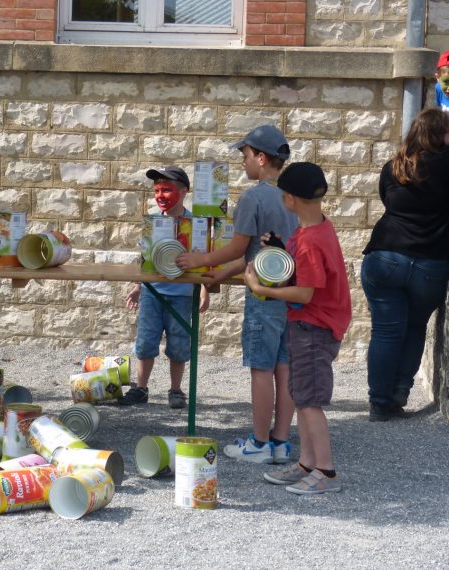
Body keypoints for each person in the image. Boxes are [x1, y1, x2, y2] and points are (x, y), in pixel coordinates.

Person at [175, 125, 298, 464]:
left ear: (261, 157)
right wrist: (226, 272)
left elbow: (238, 247)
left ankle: (258, 444)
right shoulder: (295, 195)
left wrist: (202, 260)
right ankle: (280, 442)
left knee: (261, 368)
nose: (243, 164)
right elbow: (261, 253)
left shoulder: (254, 197)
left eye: (245, 156)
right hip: (293, 293)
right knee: (285, 367)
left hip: (263, 297)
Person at [244, 162, 351, 494]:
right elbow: (302, 274)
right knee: (302, 394)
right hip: (310, 326)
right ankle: (307, 463)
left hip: (314, 329)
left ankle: (326, 472)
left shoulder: (308, 241)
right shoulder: (317, 230)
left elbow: (304, 292)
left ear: (289, 199)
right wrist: (278, 249)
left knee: (310, 402)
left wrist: (263, 290)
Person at [361, 108, 449, 421]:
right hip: (430, 262)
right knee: (414, 328)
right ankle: (398, 395)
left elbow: (387, 201)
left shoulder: (394, 167)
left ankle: (379, 403)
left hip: (385, 256)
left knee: (386, 331)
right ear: (442, 135)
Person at [121, 166, 210, 409]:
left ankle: (176, 389)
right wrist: (139, 286)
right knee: (146, 342)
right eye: (157, 190)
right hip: (153, 293)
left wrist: (204, 290)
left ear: (183, 192)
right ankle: (140, 388)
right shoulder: (152, 223)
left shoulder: (195, 224)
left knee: (179, 344)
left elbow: (202, 259)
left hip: (182, 295)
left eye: (167, 190)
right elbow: (145, 259)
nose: (160, 195)